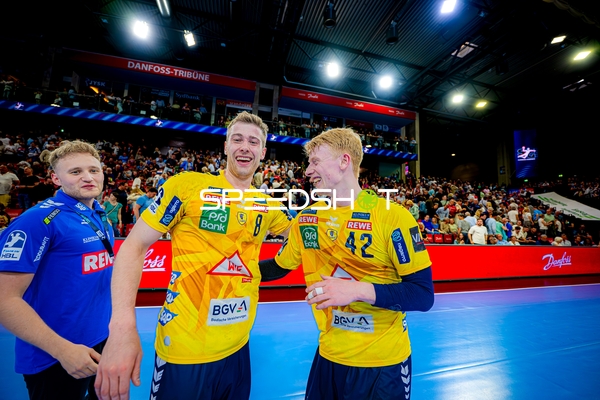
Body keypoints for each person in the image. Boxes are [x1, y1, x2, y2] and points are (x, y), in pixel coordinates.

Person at [95, 111, 294, 400]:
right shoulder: (188, 187)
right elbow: (133, 246)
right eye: (237, 139)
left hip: (239, 349)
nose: (245, 147)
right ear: (225, 146)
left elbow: (301, 236)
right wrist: (122, 328)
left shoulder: (267, 204)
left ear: (262, 152)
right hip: (184, 350)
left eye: (253, 142)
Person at [258, 128, 434, 399]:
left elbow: (422, 295)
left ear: (344, 161)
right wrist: (229, 270)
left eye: (315, 162)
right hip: (328, 357)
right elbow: (279, 266)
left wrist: (357, 290)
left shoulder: (392, 216)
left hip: (382, 364)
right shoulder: (307, 218)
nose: (307, 171)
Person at [0, 140, 113, 400]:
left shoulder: (99, 214)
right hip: (55, 355)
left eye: (94, 170)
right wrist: (62, 350)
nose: (88, 177)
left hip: (101, 341)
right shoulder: (36, 220)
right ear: (55, 178)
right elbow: (4, 299)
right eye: (75, 172)